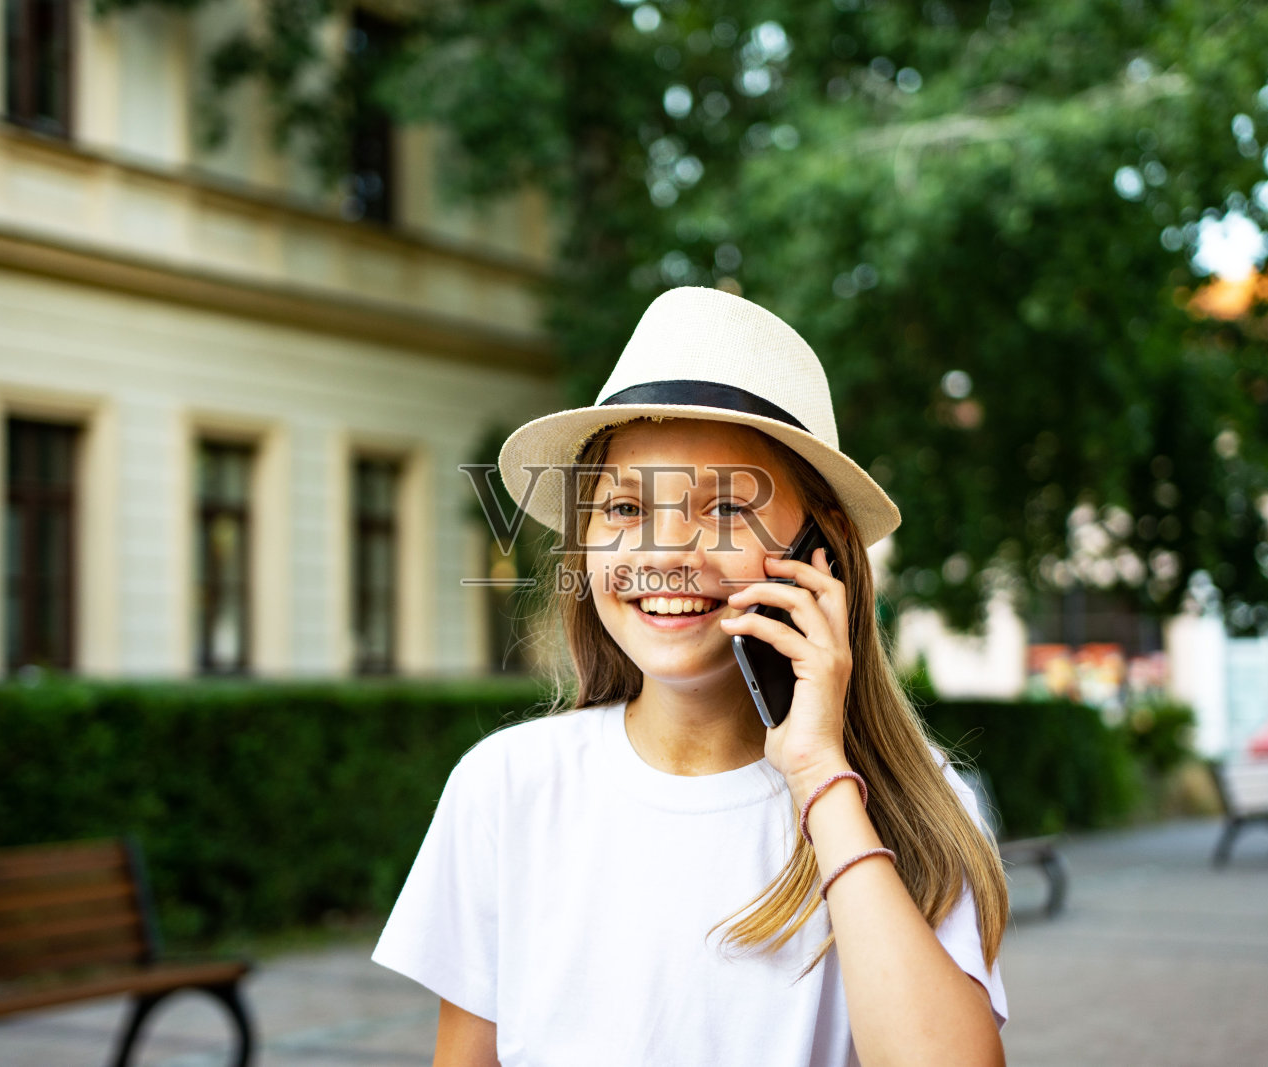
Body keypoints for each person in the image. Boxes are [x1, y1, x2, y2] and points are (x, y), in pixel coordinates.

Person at [373, 286, 1009, 1067]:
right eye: (623, 509)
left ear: (820, 550)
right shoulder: (508, 787)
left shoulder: (911, 805)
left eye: (727, 509)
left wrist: (820, 777)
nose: (664, 551)